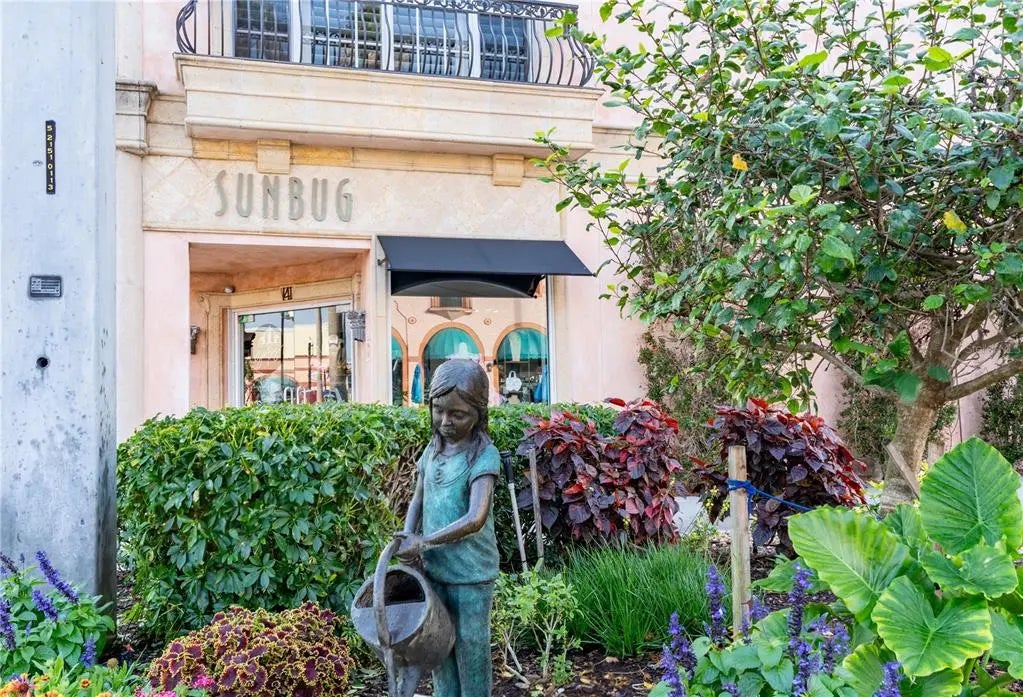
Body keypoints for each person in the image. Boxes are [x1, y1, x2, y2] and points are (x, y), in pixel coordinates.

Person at [395, 358, 499, 697]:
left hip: (472, 573)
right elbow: (418, 500)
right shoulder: (432, 452)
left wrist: (423, 542)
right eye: (438, 411)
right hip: (436, 570)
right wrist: (408, 538)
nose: (445, 421)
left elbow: (475, 518)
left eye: (458, 414)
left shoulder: (484, 456)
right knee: (439, 644)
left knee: (471, 646)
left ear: (478, 414)